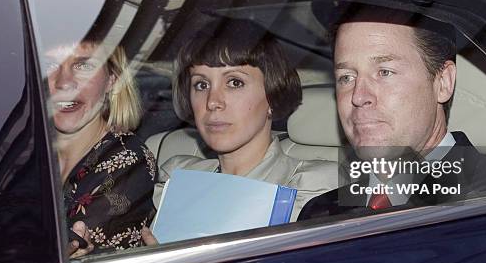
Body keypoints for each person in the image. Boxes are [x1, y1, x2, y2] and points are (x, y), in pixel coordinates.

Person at [299, 6, 486, 220]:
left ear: (443, 82)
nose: (358, 96)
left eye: (384, 72)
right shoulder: (320, 212)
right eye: (346, 77)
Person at [141, 18, 338, 247]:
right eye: (201, 85)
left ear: (272, 96)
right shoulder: (175, 175)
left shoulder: (313, 186)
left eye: (234, 82)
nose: (213, 102)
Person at [45, 38, 156, 256]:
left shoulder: (128, 159)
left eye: (84, 66)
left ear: (111, 80)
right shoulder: (17, 153)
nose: (64, 82)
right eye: (48, 65)